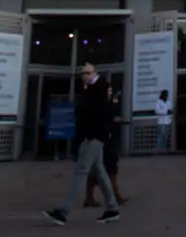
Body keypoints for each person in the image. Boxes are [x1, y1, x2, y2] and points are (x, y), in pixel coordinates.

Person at [43, 61, 120, 225]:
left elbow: (99, 111)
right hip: (90, 135)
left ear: (94, 73)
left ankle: (63, 211)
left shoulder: (101, 87)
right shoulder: (90, 89)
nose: (84, 76)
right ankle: (112, 207)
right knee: (99, 171)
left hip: (95, 135)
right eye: (82, 73)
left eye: (87, 73)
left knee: (81, 171)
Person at [86, 85, 128, 208]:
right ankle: (114, 194)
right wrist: (112, 119)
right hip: (104, 139)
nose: (110, 94)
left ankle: (91, 196)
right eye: (108, 91)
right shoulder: (99, 106)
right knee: (109, 167)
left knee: (102, 168)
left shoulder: (104, 104)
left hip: (104, 139)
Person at [154, 89, 172, 154]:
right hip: (161, 121)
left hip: (167, 121)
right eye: (166, 95)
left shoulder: (168, 102)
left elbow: (169, 109)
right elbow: (157, 111)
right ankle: (157, 150)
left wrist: (169, 112)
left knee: (165, 136)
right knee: (161, 136)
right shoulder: (158, 102)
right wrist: (165, 112)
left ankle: (163, 149)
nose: (167, 96)